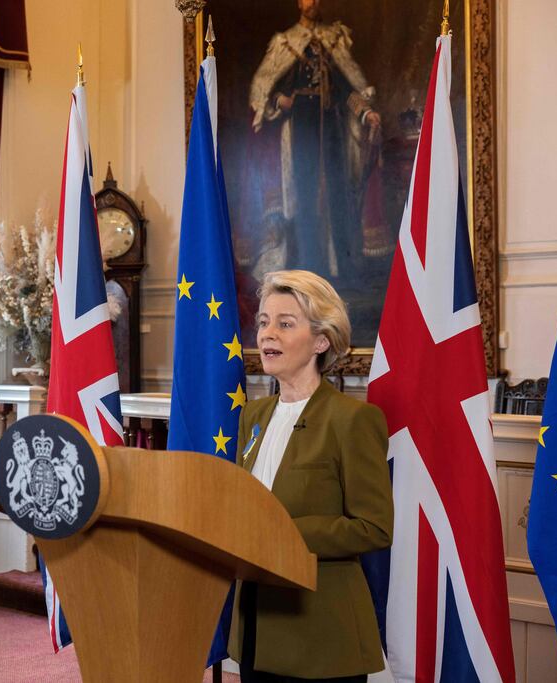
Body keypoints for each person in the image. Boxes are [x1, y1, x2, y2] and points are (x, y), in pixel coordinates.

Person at [229, 270, 393, 681]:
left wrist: (281, 535)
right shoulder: (254, 416)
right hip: (255, 628)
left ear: (321, 341)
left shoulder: (352, 420)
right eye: (264, 322)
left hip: (321, 637)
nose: (268, 334)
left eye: (286, 324)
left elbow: (373, 527)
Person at [248, 0, 382, 282]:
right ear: (299, 2)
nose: (314, 2)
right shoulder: (286, 43)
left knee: (338, 194)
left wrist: (366, 112)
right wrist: (278, 100)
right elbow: (263, 88)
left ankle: (344, 271)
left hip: (333, 129)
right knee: (305, 197)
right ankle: (311, 268)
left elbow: (348, 88)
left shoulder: (333, 39)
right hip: (300, 129)